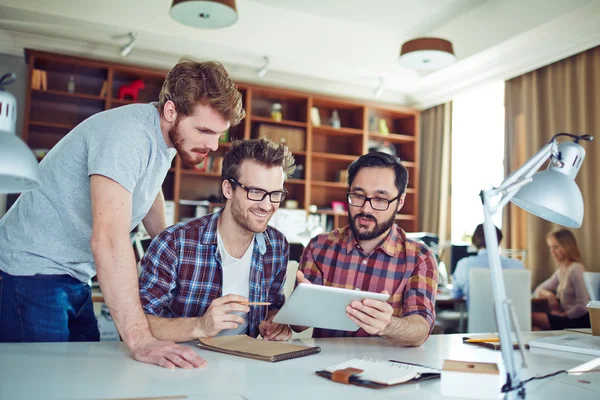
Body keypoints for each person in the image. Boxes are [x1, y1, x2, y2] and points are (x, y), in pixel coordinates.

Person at [0, 60, 245, 369]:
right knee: (44, 380)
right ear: (171, 111)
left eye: (219, 134)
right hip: (30, 270)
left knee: (79, 376)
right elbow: (108, 241)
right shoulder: (127, 136)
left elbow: (147, 188)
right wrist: (141, 339)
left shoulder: (164, 139)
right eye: (205, 130)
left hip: (72, 274)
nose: (213, 145)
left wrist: (169, 246)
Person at [139, 138, 295, 347]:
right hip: (180, 365)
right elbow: (137, 323)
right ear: (228, 189)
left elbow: (274, 306)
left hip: (246, 363)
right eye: (256, 192)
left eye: (275, 194)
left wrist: (276, 324)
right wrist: (200, 326)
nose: (267, 206)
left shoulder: (277, 246)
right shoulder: (175, 243)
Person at [296, 152, 438, 346]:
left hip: (387, 370)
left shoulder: (419, 258)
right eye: (358, 195)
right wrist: (302, 309)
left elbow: (420, 329)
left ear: (400, 201)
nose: (366, 209)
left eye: (380, 199)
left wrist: (387, 325)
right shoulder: (319, 247)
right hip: (324, 368)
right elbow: (298, 325)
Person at [451, 223, 525, 306]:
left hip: (477, 318)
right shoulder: (517, 266)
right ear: (499, 240)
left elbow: (456, 294)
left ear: (474, 241)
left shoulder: (464, 265)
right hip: (513, 318)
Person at [532, 229, 590, 330]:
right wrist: (549, 295)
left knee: (532, 317)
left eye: (555, 247)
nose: (552, 251)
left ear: (567, 246)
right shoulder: (560, 271)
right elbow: (538, 290)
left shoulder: (576, 268)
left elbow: (583, 306)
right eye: (550, 247)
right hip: (566, 317)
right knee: (535, 328)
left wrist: (562, 315)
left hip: (578, 320)